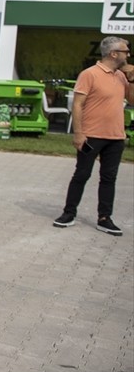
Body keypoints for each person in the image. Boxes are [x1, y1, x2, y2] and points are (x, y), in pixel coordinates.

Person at [53, 36, 134, 235]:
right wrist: (79, 133)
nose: (129, 54)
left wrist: (132, 79)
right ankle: (68, 213)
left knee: (109, 178)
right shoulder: (90, 74)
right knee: (82, 174)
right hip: (91, 136)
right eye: (126, 51)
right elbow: (77, 105)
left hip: (115, 137)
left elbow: (131, 99)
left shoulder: (122, 76)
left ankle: (104, 218)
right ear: (114, 53)